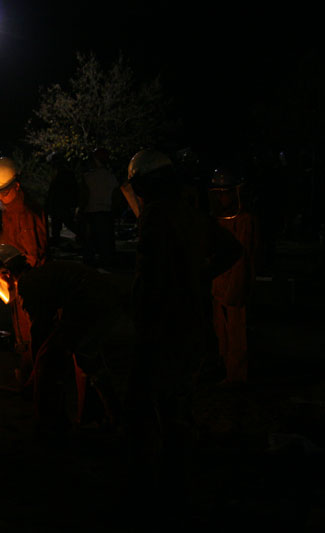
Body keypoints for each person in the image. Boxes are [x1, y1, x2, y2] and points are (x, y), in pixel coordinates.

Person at [121, 149, 242, 526]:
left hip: (162, 328)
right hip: (190, 323)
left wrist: (142, 323)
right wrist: (199, 278)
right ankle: (177, 486)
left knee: (152, 411)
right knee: (178, 407)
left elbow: (150, 281)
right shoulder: (189, 213)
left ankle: (162, 495)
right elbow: (230, 248)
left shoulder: (157, 217)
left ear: (145, 184)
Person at [0, 243, 128, 442]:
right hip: (101, 303)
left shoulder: (29, 284)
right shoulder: (40, 275)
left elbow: (40, 334)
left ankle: (56, 427)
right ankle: (104, 419)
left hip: (93, 306)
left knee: (55, 360)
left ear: (6, 272)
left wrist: (35, 375)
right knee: (87, 362)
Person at [0, 157, 48, 382]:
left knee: (33, 334)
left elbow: (33, 255)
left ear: (17, 186)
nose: (1, 197)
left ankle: (36, 379)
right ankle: (27, 373)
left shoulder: (27, 214)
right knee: (20, 332)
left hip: (30, 285)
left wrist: (14, 271)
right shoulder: (10, 211)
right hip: (17, 284)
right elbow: (6, 244)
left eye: (4, 192)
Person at [208, 167, 260, 385]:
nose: (222, 196)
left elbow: (245, 256)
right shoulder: (217, 219)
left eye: (226, 192)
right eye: (218, 192)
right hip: (218, 283)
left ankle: (237, 374)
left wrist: (237, 286)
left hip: (234, 283)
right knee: (221, 330)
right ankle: (224, 367)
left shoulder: (244, 220)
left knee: (237, 330)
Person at [81, 148, 119, 268]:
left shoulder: (88, 177)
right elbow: (115, 197)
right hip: (106, 214)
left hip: (91, 214)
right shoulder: (112, 178)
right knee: (106, 246)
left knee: (89, 247)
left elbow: (84, 197)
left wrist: (80, 212)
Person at [45, 151, 81, 247]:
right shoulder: (63, 173)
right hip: (61, 205)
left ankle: (83, 238)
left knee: (65, 223)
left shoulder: (63, 174)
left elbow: (57, 191)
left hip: (61, 205)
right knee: (61, 225)